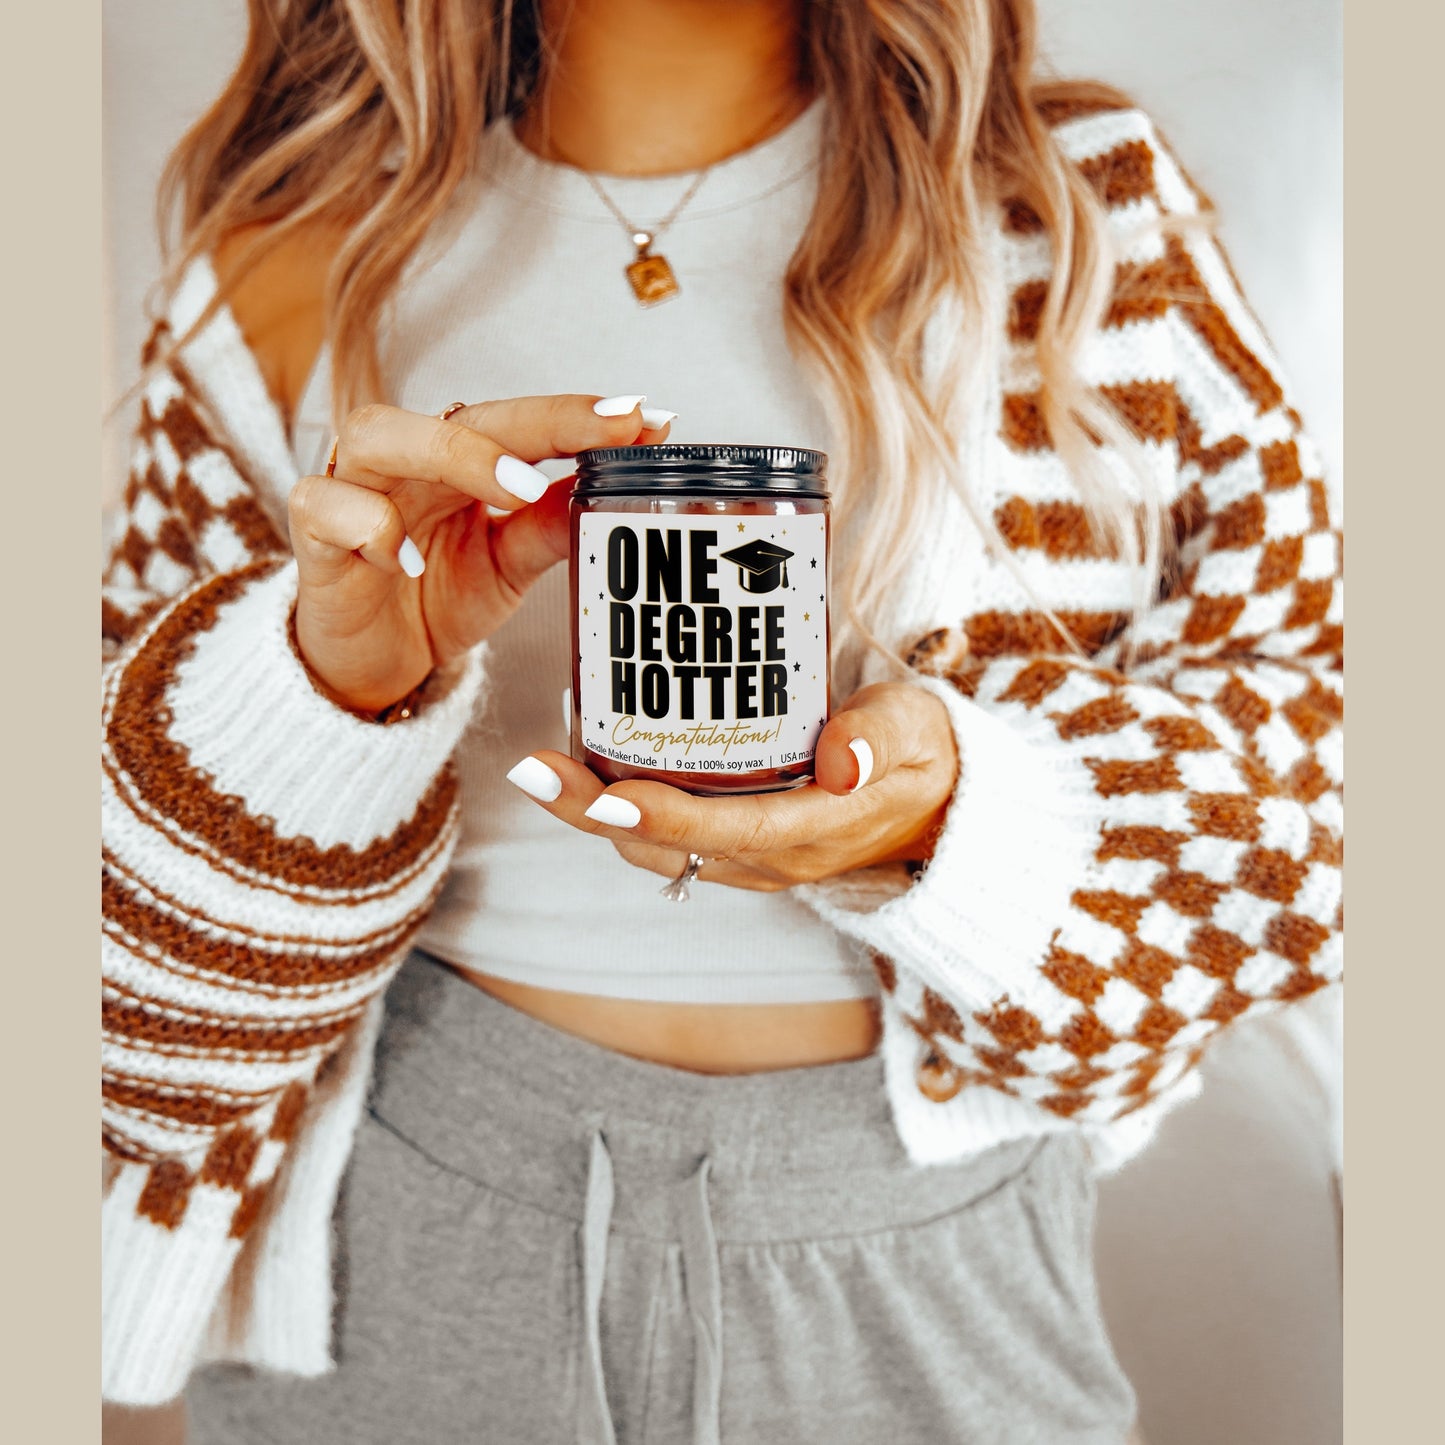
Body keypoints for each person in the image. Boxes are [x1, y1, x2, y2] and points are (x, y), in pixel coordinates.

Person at [99, 0, 1343, 1441]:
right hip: (398, 1238)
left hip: (924, 1252)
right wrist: (316, 693)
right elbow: (114, 1026)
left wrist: (962, 822)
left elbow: (1330, 776)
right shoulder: (284, 262)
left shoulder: (1077, 221)